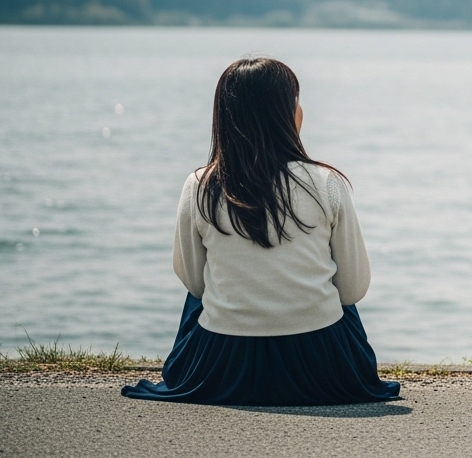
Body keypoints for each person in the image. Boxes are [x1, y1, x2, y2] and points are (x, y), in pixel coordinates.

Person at [122, 57, 400, 405]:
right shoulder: (327, 184)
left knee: (204, 289)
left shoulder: (200, 186)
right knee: (335, 287)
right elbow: (353, 289)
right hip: (321, 366)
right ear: (288, 114)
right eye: (296, 101)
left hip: (222, 363)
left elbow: (194, 283)